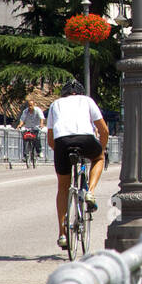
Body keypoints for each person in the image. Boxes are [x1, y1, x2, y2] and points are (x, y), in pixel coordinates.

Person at [46, 80, 109, 252]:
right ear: (80, 93)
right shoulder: (87, 101)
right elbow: (104, 130)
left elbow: (50, 139)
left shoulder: (55, 104)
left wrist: (61, 151)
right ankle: (90, 192)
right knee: (99, 158)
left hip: (62, 143)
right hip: (86, 139)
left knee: (63, 187)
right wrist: (101, 149)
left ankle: (62, 234)